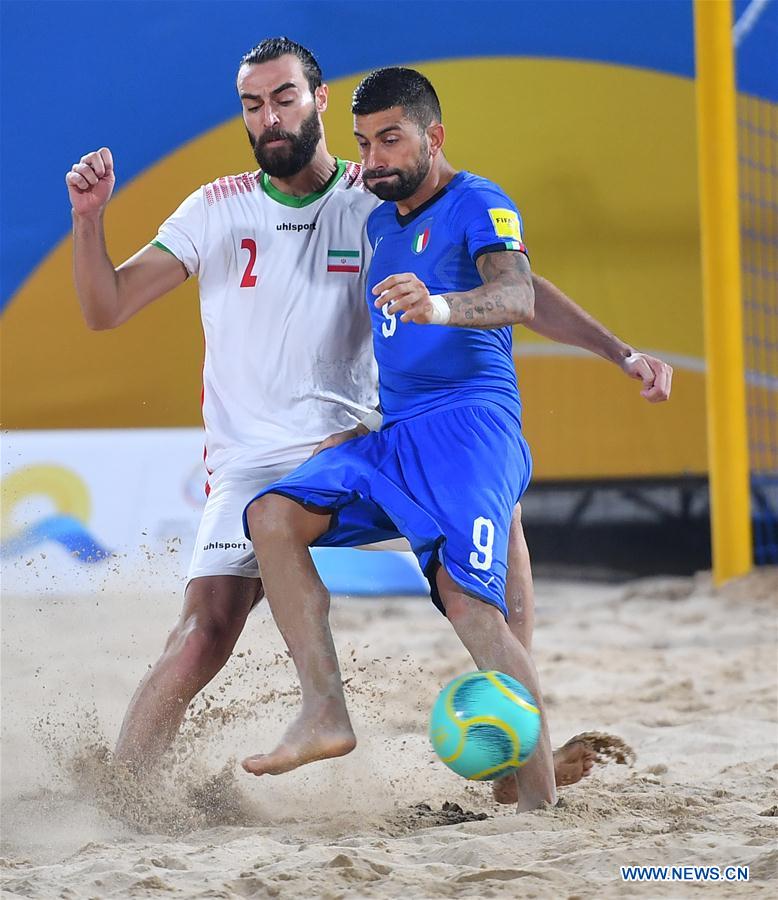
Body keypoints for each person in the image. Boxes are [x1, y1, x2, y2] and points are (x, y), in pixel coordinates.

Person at [66, 40, 671, 787]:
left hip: (362, 440)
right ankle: (127, 797)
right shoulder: (216, 207)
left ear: (319, 100)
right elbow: (105, 308)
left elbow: (513, 279)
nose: (269, 117)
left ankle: (523, 760)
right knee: (201, 637)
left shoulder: (375, 196)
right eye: (252, 105)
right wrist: (89, 219)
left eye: (284, 97)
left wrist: (616, 351)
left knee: (498, 555)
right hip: (256, 464)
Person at [241, 65, 668, 811]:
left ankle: (535, 811)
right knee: (273, 517)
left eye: (391, 140)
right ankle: (324, 709)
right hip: (397, 433)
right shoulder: (379, 223)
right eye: (364, 144)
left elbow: (516, 292)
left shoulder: (480, 200)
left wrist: (442, 308)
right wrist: (621, 350)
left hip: (471, 429)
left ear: (433, 137)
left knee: (473, 607)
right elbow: (532, 296)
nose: (373, 159)